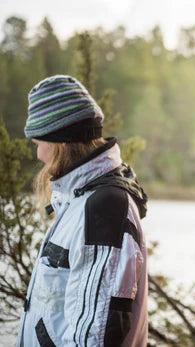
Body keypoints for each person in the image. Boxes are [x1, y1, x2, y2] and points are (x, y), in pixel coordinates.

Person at [17, 75, 148, 346]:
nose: (39, 154)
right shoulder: (79, 201)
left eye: (40, 142)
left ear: (62, 141)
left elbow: (95, 336)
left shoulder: (104, 208)